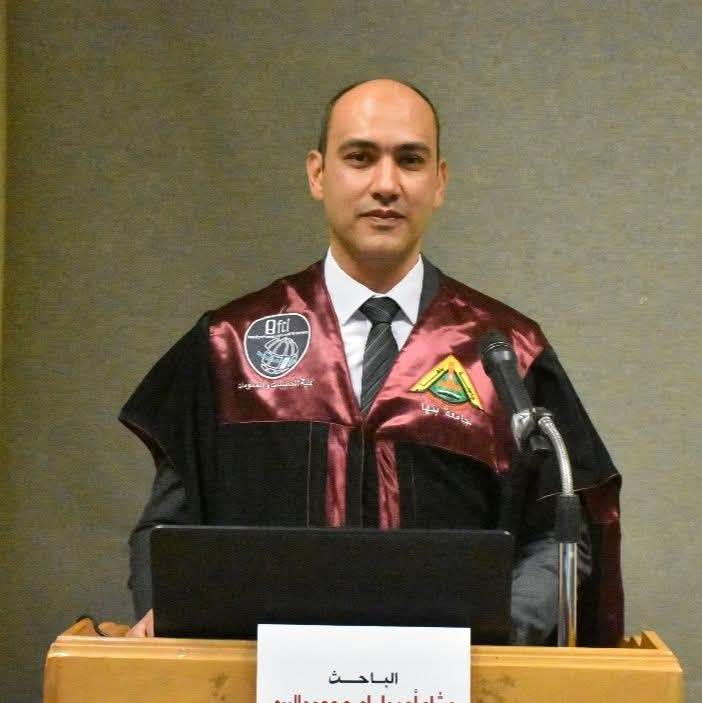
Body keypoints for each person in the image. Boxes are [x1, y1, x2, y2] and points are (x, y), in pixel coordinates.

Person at [121, 78, 623, 643]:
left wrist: (490, 640)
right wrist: (173, 618)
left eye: (410, 161)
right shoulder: (231, 345)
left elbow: (557, 538)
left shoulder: (504, 353)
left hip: (452, 675)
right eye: (360, 158)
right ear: (317, 174)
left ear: (439, 181)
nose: (386, 184)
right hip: (262, 671)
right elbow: (167, 532)